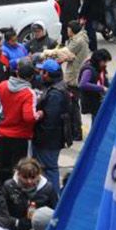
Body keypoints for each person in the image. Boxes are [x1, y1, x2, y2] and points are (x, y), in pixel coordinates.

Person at [0, 60, 39, 186]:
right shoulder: (28, 93)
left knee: (2, 165)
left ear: (16, 72)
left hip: (2, 134)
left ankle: (0, 188)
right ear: (31, 77)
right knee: (20, 167)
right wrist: (39, 114)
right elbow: (29, 117)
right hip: (20, 136)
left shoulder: (2, 85)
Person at [32, 59, 70, 196]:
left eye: (42, 71)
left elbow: (50, 120)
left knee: (49, 169)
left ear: (47, 74)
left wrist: (39, 117)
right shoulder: (57, 87)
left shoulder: (55, 94)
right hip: (51, 138)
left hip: (48, 140)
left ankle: (53, 198)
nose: (40, 74)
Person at [1, 157, 59, 230]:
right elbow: (1, 212)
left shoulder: (48, 188)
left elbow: (56, 212)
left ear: (39, 175)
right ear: (18, 174)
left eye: (33, 177)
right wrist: (16, 222)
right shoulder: (9, 186)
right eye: (25, 177)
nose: (29, 181)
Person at [79, 49, 111, 117]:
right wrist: (102, 88)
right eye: (104, 61)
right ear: (98, 60)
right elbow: (83, 84)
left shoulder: (101, 67)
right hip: (93, 101)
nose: (105, 64)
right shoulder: (88, 70)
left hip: (99, 99)